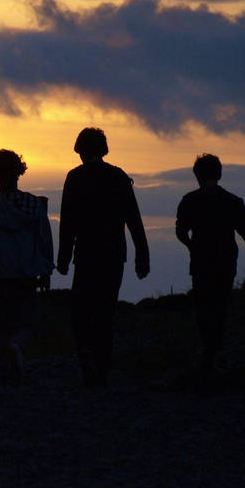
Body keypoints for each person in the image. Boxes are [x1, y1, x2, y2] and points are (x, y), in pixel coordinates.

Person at [58, 127, 149, 388]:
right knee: (105, 312)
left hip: (86, 254)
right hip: (113, 255)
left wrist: (63, 258)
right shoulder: (118, 176)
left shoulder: (75, 178)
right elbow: (134, 218)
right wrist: (142, 255)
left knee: (81, 312)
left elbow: (68, 221)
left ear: (80, 150)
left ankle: (87, 358)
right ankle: (102, 370)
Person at [0, 149, 54, 386]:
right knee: (27, 321)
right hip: (26, 274)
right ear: (19, 172)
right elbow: (44, 239)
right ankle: (18, 349)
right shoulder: (35, 205)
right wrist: (46, 269)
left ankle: (5, 373)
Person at [176, 153, 245, 391]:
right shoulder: (234, 202)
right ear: (219, 173)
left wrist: (192, 246)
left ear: (197, 175)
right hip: (226, 262)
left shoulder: (189, 201)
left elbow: (181, 232)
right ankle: (215, 354)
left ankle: (207, 356)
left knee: (204, 308)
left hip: (201, 263)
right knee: (221, 306)